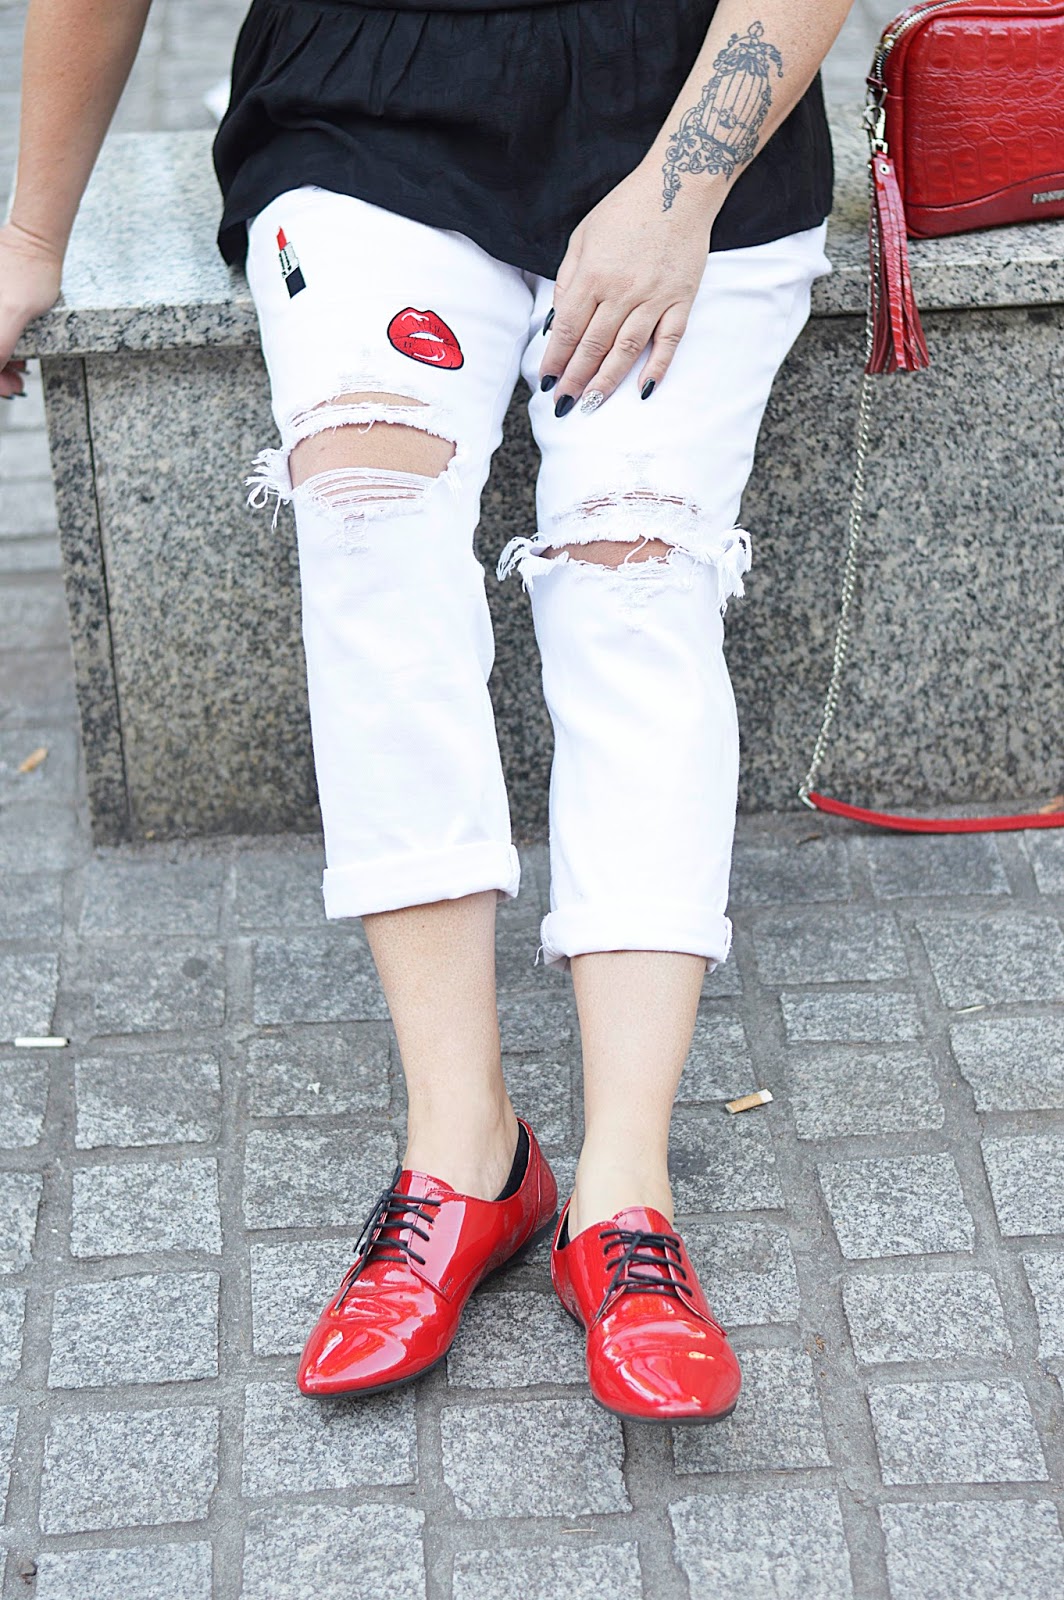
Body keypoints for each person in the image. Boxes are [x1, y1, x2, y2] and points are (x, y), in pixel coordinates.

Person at [1, 0, 852, 1424]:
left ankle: (623, 1194)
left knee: (636, 570)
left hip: (688, 97)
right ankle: (467, 1155)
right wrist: (32, 232)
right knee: (365, 514)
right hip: (367, 99)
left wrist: (673, 193)